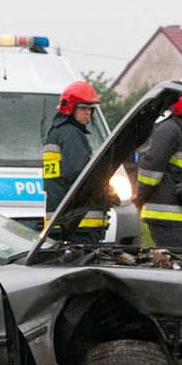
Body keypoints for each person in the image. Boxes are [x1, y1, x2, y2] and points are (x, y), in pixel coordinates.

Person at [136, 93, 182, 248]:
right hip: (165, 214)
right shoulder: (169, 131)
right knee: (176, 262)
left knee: (178, 261)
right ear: (178, 107)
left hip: (172, 214)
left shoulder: (178, 131)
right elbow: (152, 168)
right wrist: (140, 197)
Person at [43, 81, 108, 243]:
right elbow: (78, 173)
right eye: (83, 108)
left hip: (60, 214)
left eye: (90, 109)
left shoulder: (56, 132)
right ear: (70, 108)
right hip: (80, 220)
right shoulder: (72, 134)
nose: (88, 113)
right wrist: (104, 190)